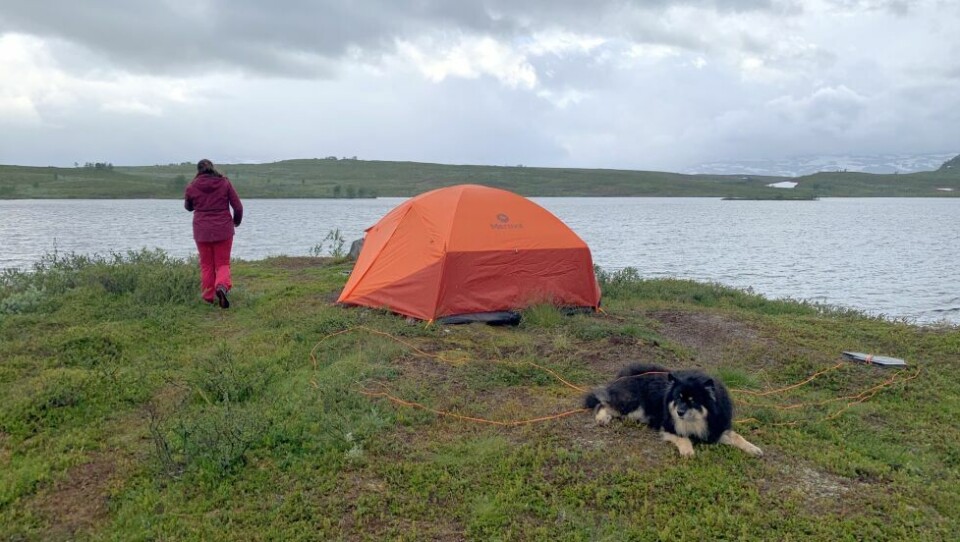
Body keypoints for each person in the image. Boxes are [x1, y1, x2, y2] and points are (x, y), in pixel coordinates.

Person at [184, 159, 243, 308]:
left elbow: (188, 207)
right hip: (223, 229)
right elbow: (238, 207)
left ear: (198, 170)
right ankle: (222, 287)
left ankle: (208, 297)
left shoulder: (192, 186)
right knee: (223, 263)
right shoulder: (224, 182)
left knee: (206, 265)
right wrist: (236, 222)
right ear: (213, 168)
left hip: (201, 230)